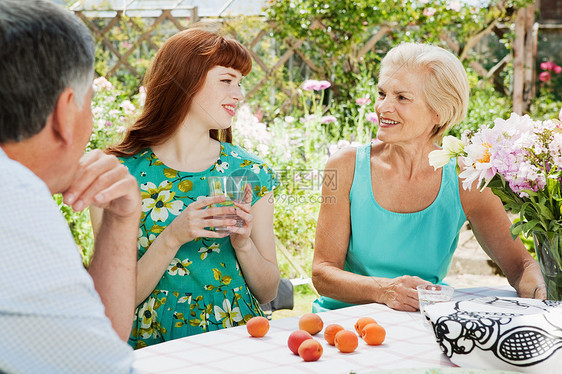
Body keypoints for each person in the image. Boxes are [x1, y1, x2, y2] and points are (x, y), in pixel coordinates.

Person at [311, 43, 546, 313]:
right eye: (382, 93)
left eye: (402, 97)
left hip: (421, 326)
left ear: (438, 111)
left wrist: (540, 290)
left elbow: (521, 267)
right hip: (343, 324)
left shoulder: (463, 177)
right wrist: (384, 291)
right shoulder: (343, 166)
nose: (383, 107)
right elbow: (322, 273)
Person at [91, 28, 280, 349]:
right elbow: (112, 299)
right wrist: (173, 236)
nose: (239, 93)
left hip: (234, 340)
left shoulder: (247, 171)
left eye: (240, 82)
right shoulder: (116, 173)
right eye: (226, 80)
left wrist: (244, 245)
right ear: (185, 79)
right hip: (149, 343)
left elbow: (269, 291)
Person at [0, 0, 141, 373]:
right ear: (66, 113)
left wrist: (121, 220)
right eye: (89, 102)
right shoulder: (14, 199)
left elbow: (90, 339)